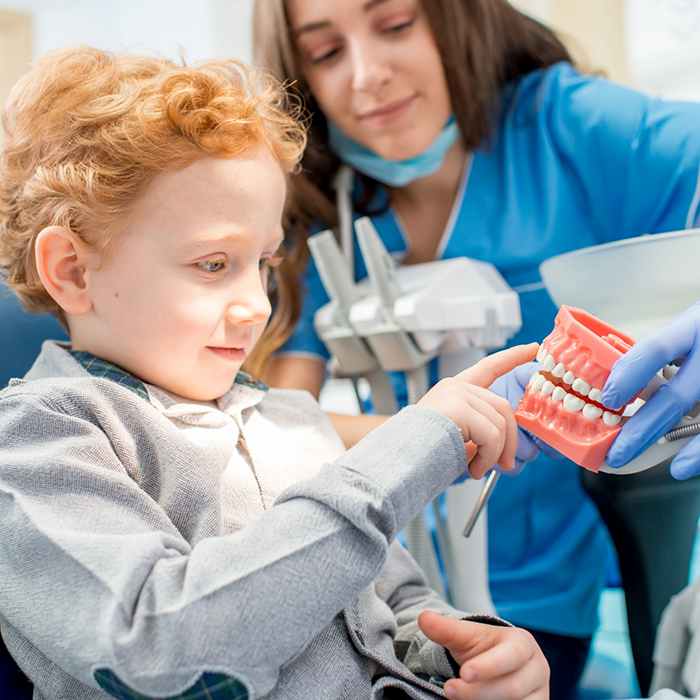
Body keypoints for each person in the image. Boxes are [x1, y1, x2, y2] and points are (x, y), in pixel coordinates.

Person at [0, 46, 549, 700]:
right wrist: (401, 450)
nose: (258, 305)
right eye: (213, 264)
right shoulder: (41, 443)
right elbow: (161, 651)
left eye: (263, 263)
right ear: (73, 270)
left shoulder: (287, 423)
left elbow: (386, 608)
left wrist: (466, 650)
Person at [251, 0, 700, 696]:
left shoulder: (572, 130)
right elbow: (263, 421)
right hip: (373, 596)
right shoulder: (319, 209)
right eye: (326, 52)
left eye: (395, 24)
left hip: (536, 606)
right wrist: (446, 432)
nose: (366, 76)